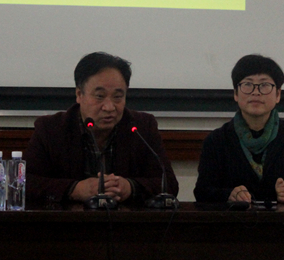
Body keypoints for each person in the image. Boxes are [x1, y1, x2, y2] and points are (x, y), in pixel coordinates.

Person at [26, 52, 179, 204]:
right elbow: (26, 183)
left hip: (125, 219)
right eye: (99, 96)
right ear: (79, 94)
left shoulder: (141, 127)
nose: (109, 107)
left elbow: (170, 184)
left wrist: (130, 187)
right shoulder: (51, 129)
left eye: (117, 97)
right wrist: (75, 189)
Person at [194, 54, 284, 204]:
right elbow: (202, 192)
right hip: (234, 219)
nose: (256, 92)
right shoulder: (216, 141)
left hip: (282, 219)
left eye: (264, 85)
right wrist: (228, 195)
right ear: (235, 94)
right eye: (248, 84)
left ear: (278, 94)